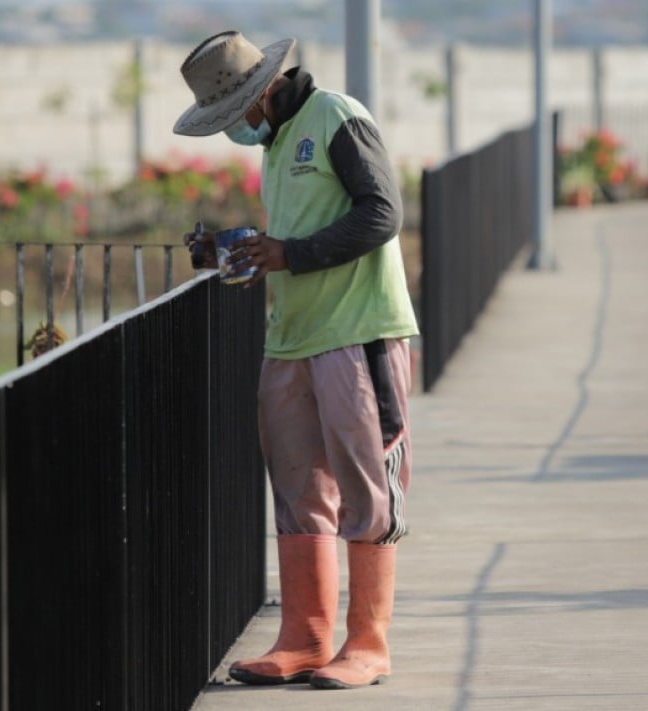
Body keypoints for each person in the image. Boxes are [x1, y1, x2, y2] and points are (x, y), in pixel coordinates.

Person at [173, 30, 418, 690]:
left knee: (368, 488)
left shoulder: (336, 116)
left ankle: (367, 643)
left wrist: (289, 254)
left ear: (258, 96)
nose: (233, 130)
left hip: (358, 331)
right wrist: (240, 252)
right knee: (297, 490)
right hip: (293, 337)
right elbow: (298, 229)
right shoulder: (277, 144)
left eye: (231, 115)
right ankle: (305, 638)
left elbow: (382, 214)